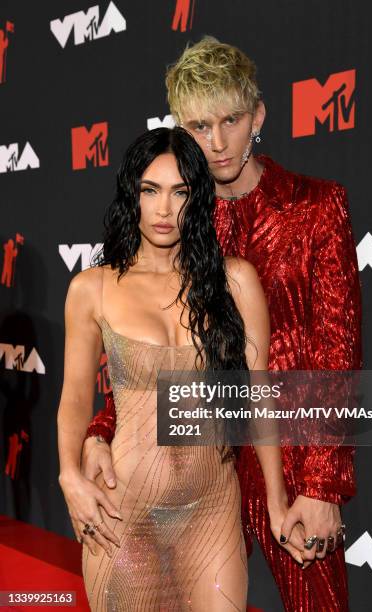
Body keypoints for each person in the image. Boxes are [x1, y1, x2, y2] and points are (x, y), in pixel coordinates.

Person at [82, 38, 361, 611]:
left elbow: (337, 350)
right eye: (199, 126)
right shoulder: (175, 220)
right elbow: (150, 345)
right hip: (194, 460)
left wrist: (320, 484)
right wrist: (101, 429)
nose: (216, 142)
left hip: (291, 449)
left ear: (256, 116)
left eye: (230, 120)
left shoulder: (316, 207)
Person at [57, 126, 306, 611]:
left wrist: (277, 501)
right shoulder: (93, 288)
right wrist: (70, 475)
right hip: (124, 513)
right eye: (150, 191)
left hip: (211, 510)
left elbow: (258, 397)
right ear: (133, 195)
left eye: (180, 192)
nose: (165, 209)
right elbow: (73, 397)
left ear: (199, 198)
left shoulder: (235, 280)